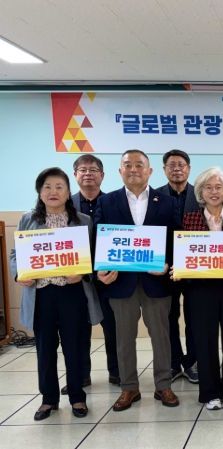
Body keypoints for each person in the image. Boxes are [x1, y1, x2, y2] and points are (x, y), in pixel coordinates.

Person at [10, 167, 102, 421]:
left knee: (75, 347)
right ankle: (48, 399)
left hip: (73, 293)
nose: (53, 192)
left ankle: (77, 397)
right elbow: (16, 254)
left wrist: (82, 273)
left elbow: (93, 256)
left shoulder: (83, 220)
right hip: (42, 294)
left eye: (59, 187)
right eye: (47, 187)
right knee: (45, 349)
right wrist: (19, 275)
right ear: (39, 192)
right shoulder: (28, 219)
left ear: (68, 192)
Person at [94, 149, 180, 411]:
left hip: (157, 281)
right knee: (123, 338)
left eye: (139, 165)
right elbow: (98, 239)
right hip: (121, 282)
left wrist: (168, 264)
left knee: (161, 336)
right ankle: (129, 387)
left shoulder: (167, 202)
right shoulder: (107, 201)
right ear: (120, 170)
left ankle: (163, 385)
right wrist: (101, 270)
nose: (133, 169)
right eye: (127, 165)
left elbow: (176, 239)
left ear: (150, 171)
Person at [176, 167, 223, 410]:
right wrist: (180, 268)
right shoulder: (190, 218)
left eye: (218, 187)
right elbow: (184, 253)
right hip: (201, 289)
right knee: (204, 340)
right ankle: (210, 393)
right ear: (200, 192)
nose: (214, 192)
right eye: (208, 187)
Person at [60, 155, 119, 397]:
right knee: (77, 329)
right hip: (78, 281)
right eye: (82, 170)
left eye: (93, 170)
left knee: (113, 328)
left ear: (102, 175)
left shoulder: (114, 202)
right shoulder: (64, 205)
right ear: (75, 175)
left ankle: (117, 372)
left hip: (109, 278)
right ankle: (80, 375)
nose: (88, 174)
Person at [156, 149, 199, 384]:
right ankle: (174, 362)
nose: (176, 169)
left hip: (195, 267)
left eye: (181, 164)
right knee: (168, 317)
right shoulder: (155, 197)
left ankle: (192, 362)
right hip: (165, 268)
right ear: (164, 169)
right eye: (171, 165)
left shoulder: (201, 194)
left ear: (189, 168)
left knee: (194, 317)